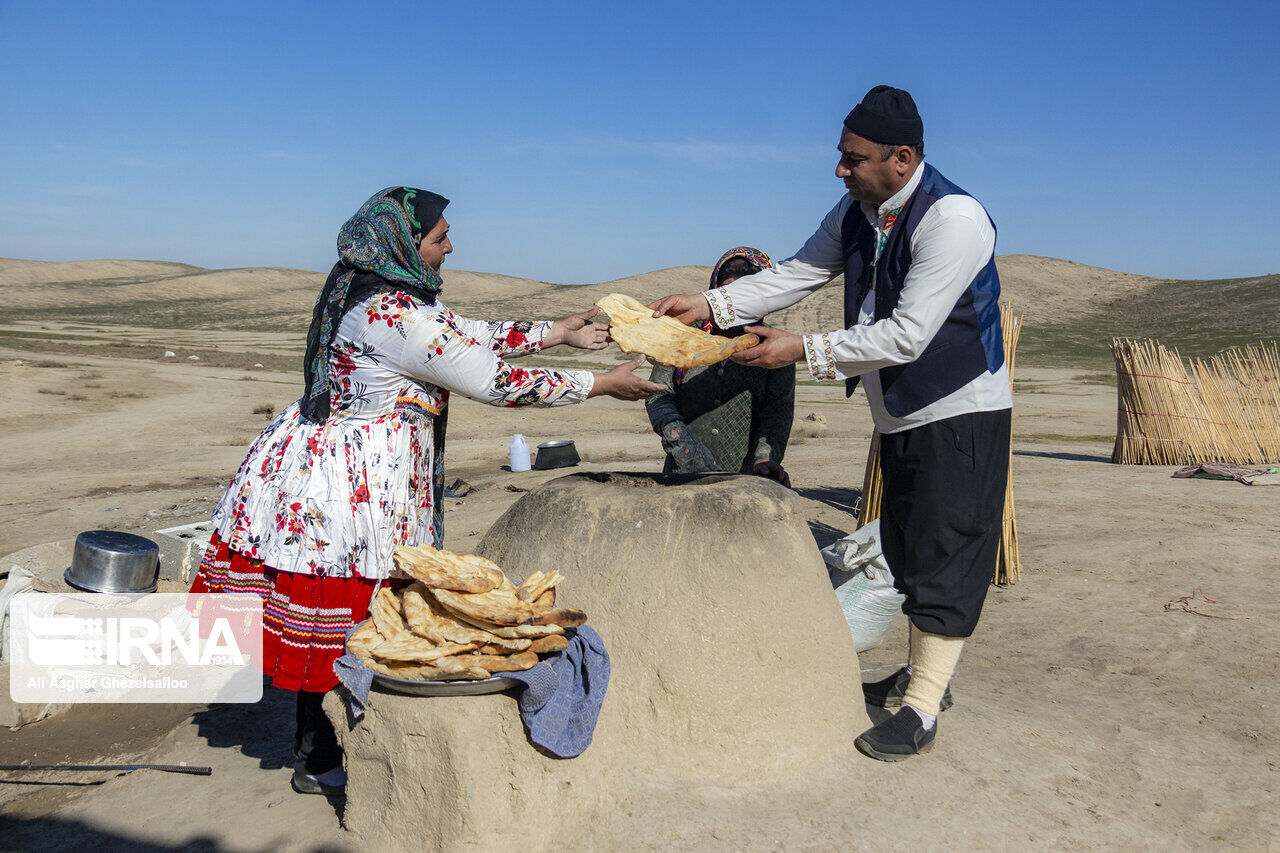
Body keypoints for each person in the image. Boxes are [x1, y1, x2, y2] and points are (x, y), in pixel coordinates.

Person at [189, 187, 664, 795]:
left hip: (370, 477)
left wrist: (558, 331)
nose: (450, 248)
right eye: (439, 238)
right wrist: (596, 384)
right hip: (346, 489)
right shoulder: (387, 314)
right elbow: (486, 376)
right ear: (402, 244)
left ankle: (338, 736)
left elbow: (465, 334)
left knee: (366, 609)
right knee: (346, 611)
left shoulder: (389, 298)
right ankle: (319, 750)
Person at [650, 86, 1012, 761]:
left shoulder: (954, 219)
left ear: (901, 159)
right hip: (902, 413)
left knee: (947, 547)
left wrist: (804, 350)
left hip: (959, 411)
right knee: (907, 545)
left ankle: (922, 709)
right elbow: (793, 275)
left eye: (853, 158)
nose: (840, 170)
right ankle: (928, 677)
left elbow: (906, 336)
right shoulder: (856, 213)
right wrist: (707, 304)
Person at [644, 247, 794, 484]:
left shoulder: (775, 346)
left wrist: (764, 458)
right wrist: (679, 439)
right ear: (715, 293)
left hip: (746, 478)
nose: (736, 307)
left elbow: (778, 412)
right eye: (728, 296)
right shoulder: (682, 335)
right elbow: (657, 394)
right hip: (681, 473)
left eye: (746, 298)